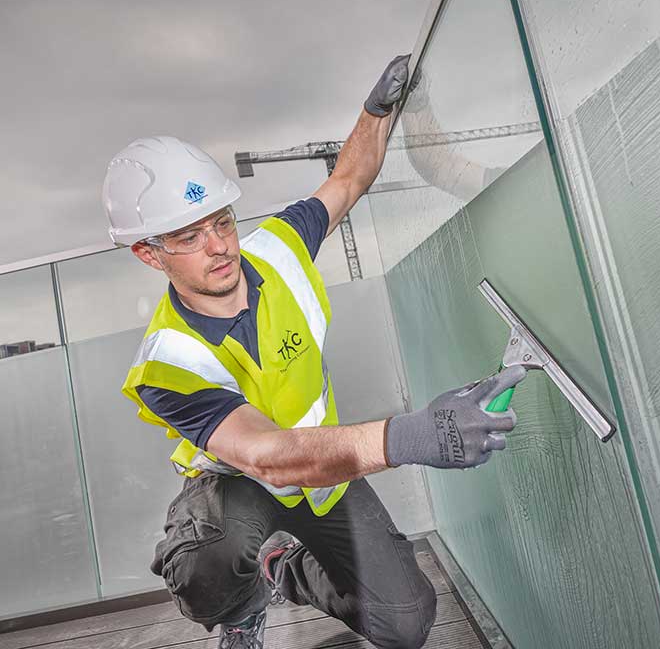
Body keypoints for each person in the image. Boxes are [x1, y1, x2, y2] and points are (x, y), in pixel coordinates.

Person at [102, 56, 525, 649]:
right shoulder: (166, 363)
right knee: (207, 562)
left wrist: (374, 113)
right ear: (150, 254)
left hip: (323, 475)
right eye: (187, 236)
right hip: (238, 488)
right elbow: (269, 456)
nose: (219, 246)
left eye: (220, 221)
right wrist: (414, 436)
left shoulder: (276, 247)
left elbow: (348, 179)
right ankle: (243, 604)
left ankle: (284, 569)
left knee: (406, 624)